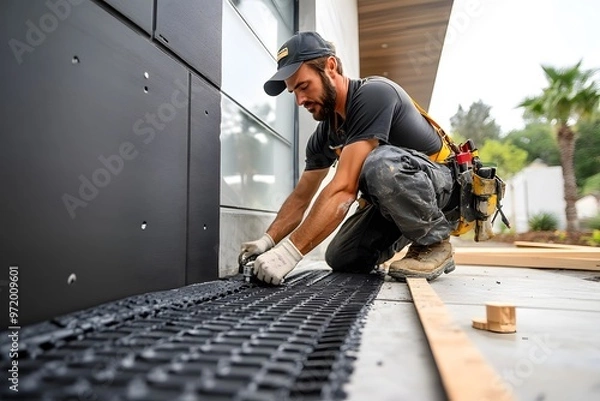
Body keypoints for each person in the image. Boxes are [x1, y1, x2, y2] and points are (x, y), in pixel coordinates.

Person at [239, 31, 459, 285]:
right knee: (342, 257)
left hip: (441, 188)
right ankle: (411, 232)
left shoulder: (374, 94)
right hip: (394, 199)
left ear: (330, 67)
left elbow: (343, 189)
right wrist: (267, 241)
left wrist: (289, 253)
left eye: (303, 86)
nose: (300, 100)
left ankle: (434, 242)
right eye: (293, 92)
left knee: (378, 163)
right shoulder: (325, 134)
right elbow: (301, 198)